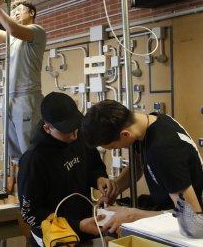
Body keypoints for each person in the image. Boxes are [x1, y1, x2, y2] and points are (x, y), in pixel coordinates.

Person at [81, 99, 203, 236]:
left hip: (188, 224)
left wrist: (133, 215)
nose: (112, 150)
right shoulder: (151, 122)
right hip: (172, 208)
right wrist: (116, 188)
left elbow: (194, 222)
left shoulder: (163, 150)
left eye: (111, 147)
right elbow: (139, 165)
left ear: (125, 134)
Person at [18, 92, 118, 246]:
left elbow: (94, 165)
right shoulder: (33, 159)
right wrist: (77, 225)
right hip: (56, 238)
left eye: (75, 127)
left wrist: (99, 179)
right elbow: (30, 213)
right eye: (66, 131)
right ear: (47, 129)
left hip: (86, 229)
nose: (74, 136)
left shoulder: (79, 135)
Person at [0, 0, 46, 194]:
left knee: (30, 150)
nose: (16, 12)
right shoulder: (12, 39)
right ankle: (20, 194)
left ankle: (36, 192)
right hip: (8, 98)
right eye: (14, 10)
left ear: (31, 13)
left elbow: (12, 28)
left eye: (20, 9)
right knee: (15, 152)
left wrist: (0, 7)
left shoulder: (36, 31)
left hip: (26, 96)